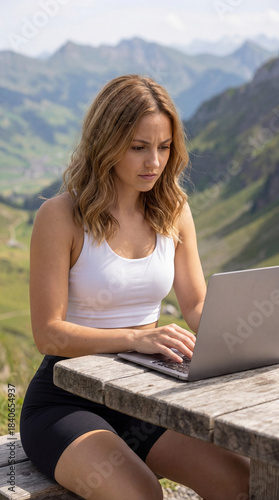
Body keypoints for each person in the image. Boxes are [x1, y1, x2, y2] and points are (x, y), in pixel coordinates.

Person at [20, 74, 249, 500]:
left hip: (145, 399)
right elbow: (48, 333)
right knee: (141, 495)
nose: (154, 163)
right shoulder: (61, 216)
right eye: (139, 147)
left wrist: (249, 336)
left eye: (164, 147)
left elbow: (197, 304)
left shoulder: (174, 210)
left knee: (242, 482)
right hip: (65, 400)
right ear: (106, 143)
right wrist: (137, 338)